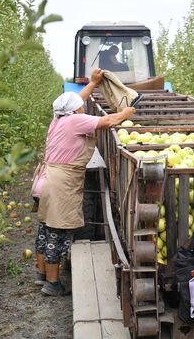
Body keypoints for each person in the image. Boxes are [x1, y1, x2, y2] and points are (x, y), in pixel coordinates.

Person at [31, 68, 136, 296]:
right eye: (79, 106)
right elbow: (109, 120)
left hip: (47, 180)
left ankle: (41, 273)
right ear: (74, 111)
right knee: (58, 233)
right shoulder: (76, 121)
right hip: (61, 185)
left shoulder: (58, 120)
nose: (82, 106)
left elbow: (77, 99)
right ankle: (52, 283)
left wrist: (93, 83)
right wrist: (126, 112)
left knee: (45, 229)